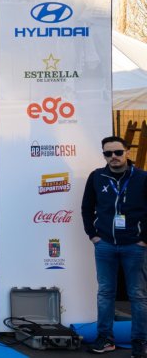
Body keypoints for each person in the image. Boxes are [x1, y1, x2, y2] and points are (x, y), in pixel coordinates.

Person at [82, 136, 147, 356]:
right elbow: (87, 207)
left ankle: (140, 341)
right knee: (105, 293)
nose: (113, 157)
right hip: (105, 245)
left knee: (137, 295)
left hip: (135, 246)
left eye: (118, 152)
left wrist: (144, 238)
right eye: (108, 153)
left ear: (127, 152)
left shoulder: (142, 178)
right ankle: (105, 339)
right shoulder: (96, 177)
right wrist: (93, 235)